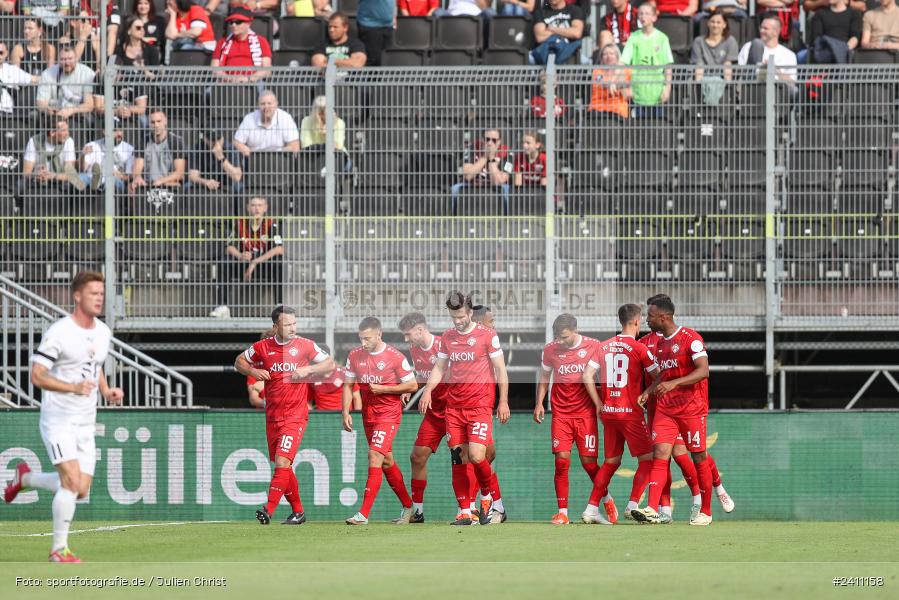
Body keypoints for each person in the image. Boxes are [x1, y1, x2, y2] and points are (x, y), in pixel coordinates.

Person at [3, 271, 124, 562]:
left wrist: (106, 391)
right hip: (58, 420)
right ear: (77, 296)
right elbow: (37, 376)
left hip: (86, 421)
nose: (99, 298)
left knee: (80, 490)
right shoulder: (60, 332)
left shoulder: (102, 332)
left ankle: (26, 478)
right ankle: (58, 550)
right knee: (70, 482)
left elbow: (94, 365)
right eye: (93, 293)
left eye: (101, 293)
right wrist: (72, 387)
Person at [234, 305, 335, 525]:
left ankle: (268, 509)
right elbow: (239, 361)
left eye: (294, 323)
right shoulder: (262, 347)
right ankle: (298, 512)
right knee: (283, 466)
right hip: (272, 416)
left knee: (282, 461)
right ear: (275, 326)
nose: (292, 327)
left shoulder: (305, 345)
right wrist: (253, 371)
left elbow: (329, 363)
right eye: (287, 324)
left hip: (295, 416)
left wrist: (308, 370)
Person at [637, 295, 734, 519]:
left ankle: (706, 511)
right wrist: (648, 391)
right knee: (660, 453)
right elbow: (663, 374)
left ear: (664, 316)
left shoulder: (692, 338)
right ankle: (653, 508)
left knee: (699, 456)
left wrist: (674, 383)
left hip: (692, 408)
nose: (647, 321)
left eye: (650, 316)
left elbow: (703, 371)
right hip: (666, 409)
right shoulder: (660, 344)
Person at [419, 292, 510, 526]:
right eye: (453, 316)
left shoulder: (487, 335)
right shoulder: (447, 337)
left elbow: (500, 369)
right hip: (454, 407)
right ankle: (465, 511)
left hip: (480, 405)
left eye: (460, 316)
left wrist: (503, 401)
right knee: (458, 459)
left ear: (470, 312)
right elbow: (440, 367)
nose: (457, 320)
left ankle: (487, 496)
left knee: (478, 456)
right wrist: (428, 390)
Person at [582, 304, 660, 523]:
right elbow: (659, 377)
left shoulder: (603, 346)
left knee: (611, 461)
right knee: (648, 460)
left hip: (609, 412)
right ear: (636, 321)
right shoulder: (639, 348)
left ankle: (591, 509)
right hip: (630, 413)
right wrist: (646, 392)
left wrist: (598, 403)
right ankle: (632, 505)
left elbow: (587, 376)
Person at [342, 317, 418, 525]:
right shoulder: (355, 355)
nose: (363, 343)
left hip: (388, 413)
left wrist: (385, 389)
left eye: (367, 339)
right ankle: (410, 507)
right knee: (386, 460)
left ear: (379, 335)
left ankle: (363, 514)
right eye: (361, 339)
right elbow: (348, 385)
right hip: (368, 414)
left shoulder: (394, 357)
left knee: (375, 455)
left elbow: (411, 385)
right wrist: (345, 412)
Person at [535, 314, 606, 525]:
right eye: (558, 337)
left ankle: (607, 499)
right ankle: (562, 512)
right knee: (561, 461)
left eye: (565, 337)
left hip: (585, 415)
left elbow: (604, 376)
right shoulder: (550, 349)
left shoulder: (594, 346)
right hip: (561, 415)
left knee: (590, 464)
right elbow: (545, 377)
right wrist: (539, 402)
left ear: (576, 330)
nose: (561, 341)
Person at [399, 312, 448, 524]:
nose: (406, 339)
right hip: (434, 412)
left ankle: (471, 508)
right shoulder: (414, 349)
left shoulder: (443, 345)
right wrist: (412, 388)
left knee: (467, 457)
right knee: (417, 457)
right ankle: (417, 511)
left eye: (408, 334)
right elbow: (422, 374)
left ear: (420, 329)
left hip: (455, 410)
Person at [210, 196, 284, 319]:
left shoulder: (272, 224)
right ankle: (222, 307)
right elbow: (229, 247)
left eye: (260, 205)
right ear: (248, 207)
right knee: (224, 261)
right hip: (243, 266)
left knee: (280, 262)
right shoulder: (239, 223)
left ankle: (279, 307)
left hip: (263, 266)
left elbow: (279, 249)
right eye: (254, 205)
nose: (257, 209)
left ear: (265, 208)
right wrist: (240, 255)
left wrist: (255, 261)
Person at [620, 2, 673, 116]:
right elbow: (623, 62)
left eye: (647, 14)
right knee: (640, 130)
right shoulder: (633, 37)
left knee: (657, 129)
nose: (643, 16)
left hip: (657, 93)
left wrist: (667, 88)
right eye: (640, 14)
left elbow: (668, 66)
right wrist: (623, 85)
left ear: (654, 17)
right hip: (638, 92)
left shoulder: (662, 38)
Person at [451, 128, 511, 215]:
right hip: (471, 184)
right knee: (455, 188)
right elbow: (468, 176)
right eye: (487, 139)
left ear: (499, 142)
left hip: (495, 186)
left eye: (494, 140)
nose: (489, 143)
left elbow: (498, 181)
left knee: (507, 190)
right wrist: (485, 156)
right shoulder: (472, 149)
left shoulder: (508, 154)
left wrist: (491, 159)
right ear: (483, 139)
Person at [211, 5, 272, 84]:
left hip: (254, 83)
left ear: (249, 23)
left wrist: (248, 79)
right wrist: (231, 79)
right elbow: (214, 70)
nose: (233, 25)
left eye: (238, 22)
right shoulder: (222, 42)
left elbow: (267, 70)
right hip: (226, 84)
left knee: (268, 96)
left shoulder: (261, 41)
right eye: (231, 22)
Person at [21, 117, 85, 193]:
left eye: (67, 129)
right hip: (37, 182)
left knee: (72, 185)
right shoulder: (34, 141)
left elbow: (70, 174)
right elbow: (25, 173)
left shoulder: (68, 141)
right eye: (64, 130)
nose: (67, 133)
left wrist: (53, 176)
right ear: (52, 132)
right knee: (20, 184)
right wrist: (35, 175)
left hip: (60, 182)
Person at [35, 45, 94, 124]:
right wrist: (47, 110)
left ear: (76, 58)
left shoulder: (87, 73)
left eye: (70, 59)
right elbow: (40, 102)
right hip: (54, 114)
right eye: (63, 59)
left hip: (78, 115)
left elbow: (89, 104)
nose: (66, 63)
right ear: (58, 60)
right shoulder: (47, 74)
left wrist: (71, 111)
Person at [130, 109, 186, 190]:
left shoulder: (176, 142)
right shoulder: (143, 142)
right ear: (149, 124)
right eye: (152, 122)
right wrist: (137, 177)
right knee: (132, 186)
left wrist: (161, 181)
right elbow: (136, 170)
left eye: (159, 121)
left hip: (169, 185)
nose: (156, 125)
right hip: (149, 186)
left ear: (165, 121)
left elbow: (179, 173)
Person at [233, 90, 300, 157]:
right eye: (262, 104)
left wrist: (274, 154)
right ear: (258, 105)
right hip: (254, 160)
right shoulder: (249, 118)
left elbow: (295, 146)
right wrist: (244, 149)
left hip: (279, 160)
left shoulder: (285, 118)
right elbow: (236, 142)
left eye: (269, 103)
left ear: (276, 104)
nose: (266, 107)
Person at [737, 14, 797, 84]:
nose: (761, 31)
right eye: (761, 27)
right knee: (757, 43)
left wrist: (775, 70)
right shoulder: (749, 46)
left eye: (765, 28)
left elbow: (792, 83)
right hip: (751, 88)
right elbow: (739, 73)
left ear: (776, 32)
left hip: (778, 90)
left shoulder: (789, 55)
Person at [78, 127, 134, 191]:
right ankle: (97, 182)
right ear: (105, 132)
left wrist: (121, 176)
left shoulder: (129, 149)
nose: (119, 134)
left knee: (111, 182)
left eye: (120, 130)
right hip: (92, 177)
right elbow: (82, 168)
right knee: (79, 178)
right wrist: (83, 155)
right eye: (115, 130)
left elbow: (130, 176)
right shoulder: (92, 145)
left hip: (114, 179)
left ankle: (99, 185)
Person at [530, 0, 585, 66]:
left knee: (587, 62)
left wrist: (552, 29)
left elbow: (576, 33)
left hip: (570, 54)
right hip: (545, 54)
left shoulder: (574, 10)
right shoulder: (540, 13)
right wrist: (566, 32)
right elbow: (540, 36)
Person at [588, 43, 631, 121]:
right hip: (597, 108)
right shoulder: (597, 71)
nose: (608, 56)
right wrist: (616, 85)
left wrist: (617, 86)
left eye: (611, 53)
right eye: (605, 54)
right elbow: (601, 82)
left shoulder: (627, 71)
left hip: (617, 109)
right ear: (601, 58)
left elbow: (630, 92)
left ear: (617, 56)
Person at [691, 11, 739, 81]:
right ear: (708, 23)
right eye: (712, 22)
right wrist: (699, 86)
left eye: (718, 22)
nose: (715, 25)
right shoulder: (698, 41)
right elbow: (699, 66)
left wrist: (727, 88)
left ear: (724, 25)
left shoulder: (730, 41)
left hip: (722, 82)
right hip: (704, 81)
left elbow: (727, 65)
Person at [309, 343, 350, 410]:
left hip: (343, 417)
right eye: (315, 361)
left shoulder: (345, 374)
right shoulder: (311, 379)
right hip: (323, 418)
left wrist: (357, 418)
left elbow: (356, 397)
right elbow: (308, 402)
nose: (317, 364)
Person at [357, 0, 395, 66]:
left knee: (387, 60)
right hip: (370, 25)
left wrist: (394, 16)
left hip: (388, 25)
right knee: (373, 61)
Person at [246, 327, 275, 409]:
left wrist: (265, 384)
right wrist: (266, 404)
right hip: (263, 416)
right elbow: (253, 399)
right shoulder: (255, 366)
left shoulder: (288, 364)